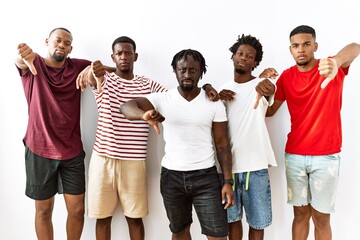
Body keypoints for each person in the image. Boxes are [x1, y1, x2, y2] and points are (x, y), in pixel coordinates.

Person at [75, 38, 219, 240]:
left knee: (135, 218)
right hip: (103, 158)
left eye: (128, 53)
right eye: (119, 54)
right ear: (113, 57)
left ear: (135, 56)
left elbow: (180, 93)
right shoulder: (104, 78)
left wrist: (207, 86)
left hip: (134, 160)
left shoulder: (148, 84)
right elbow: (94, 75)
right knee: (103, 218)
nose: (124, 57)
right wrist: (96, 69)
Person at [119, 49, 235, 240]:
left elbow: (222, 144)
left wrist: (227, 182)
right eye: (182, 70)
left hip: (206, 177)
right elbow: (126, 106)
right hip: (172, 177)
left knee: (218, 236)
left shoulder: (213, 102)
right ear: (175, 70)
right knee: (179, 232)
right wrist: (143, 115)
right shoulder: (162, 98)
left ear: (201, 72)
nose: (187, 75)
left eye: (193, 70)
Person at [15, 27, 114, 240]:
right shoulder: (36, 65)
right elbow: (21, 61)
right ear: (47, 42)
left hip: (72, 151)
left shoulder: (77, 66)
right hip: (39, 149)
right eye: (57, 40)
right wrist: (23, 56)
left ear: (71, 48)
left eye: (67, 43)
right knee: (43, 209)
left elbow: (111, 71)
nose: (62, 45)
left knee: (77, 209)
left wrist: (93, 69)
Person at [266, 25, 360, 240]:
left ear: (315, 46)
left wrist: (336, 63)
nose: (301, 49)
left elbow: (356, 47)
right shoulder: (287, 77)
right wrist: (263, 84)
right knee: (300, 215)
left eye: (306, 44)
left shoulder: (329, 68)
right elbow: (270, 111)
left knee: (321, 218)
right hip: (295, 156)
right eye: (296, 46)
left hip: (326, 157)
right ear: (290, 49)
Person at [217, 34, 277, 240]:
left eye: (249, 56)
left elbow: (268, 90)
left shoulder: (261, 85)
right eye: (240, 53)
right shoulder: (223, 91)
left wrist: (267, 85)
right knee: (232, 222)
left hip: (256, 167)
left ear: (256, 62)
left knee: (258, 223)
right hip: (228, 169)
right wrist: (212, 92)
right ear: (233, 57)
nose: (243, 57)